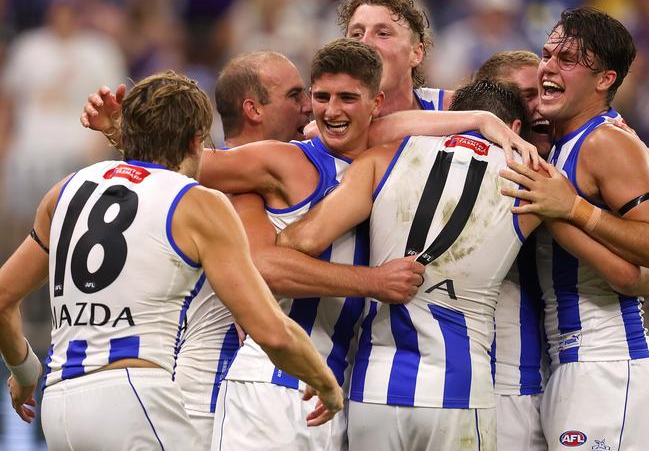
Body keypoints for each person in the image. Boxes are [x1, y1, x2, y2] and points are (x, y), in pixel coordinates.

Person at [81, 39, 536, 451]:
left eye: (346, 99)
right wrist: (120, 133)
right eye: (317, 97)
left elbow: (404, 126)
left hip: (330, 392)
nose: (327, 111)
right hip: (273, 385)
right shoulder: (287, 160)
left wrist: (480, 119)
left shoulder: (387, 158)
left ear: (375, 105)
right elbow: (201, 177)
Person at [277, 78, 645, 451]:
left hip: (374, 388)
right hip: (459, 388)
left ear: (449, 119)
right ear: (514, 129)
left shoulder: (382, 158)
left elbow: (297, 242)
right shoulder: (530, 181)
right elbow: (626, 274)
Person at [0, 71, 343, 450]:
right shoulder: (196, 201)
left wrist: (25, 370)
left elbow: (2, 299)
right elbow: (270, 330)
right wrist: (324, 382)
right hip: (133, 398)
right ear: (197, 140)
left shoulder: (65, 190)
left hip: (60, 407)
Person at [82, 50, 313, 450]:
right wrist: (375, 282)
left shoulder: (191, 181)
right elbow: (262, 268)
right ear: (253, 109)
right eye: (295, 95)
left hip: (202, 388)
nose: (309, 106)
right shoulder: (214, 189)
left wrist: (123, 134)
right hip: (212, 391)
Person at [500, 7, 649, 451]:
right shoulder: (565, 142)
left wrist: (575, 210)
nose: (547, 66)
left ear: (604, 79)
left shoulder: (607, 141)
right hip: (571, 363)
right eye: (547, 54)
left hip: (606, 364)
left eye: (567, 60)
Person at [476, 51, 550, 451]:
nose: (538, 108)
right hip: (499, 385)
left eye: (542, 93)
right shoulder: (494, 176)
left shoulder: (561, 167)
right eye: (524, 96)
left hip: (555, 380)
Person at [337, 0, 453, 116]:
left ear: (416, 53)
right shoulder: (325, 127)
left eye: (383, 33)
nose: (365, 43)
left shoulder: (456, 107)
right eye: (356, 34)